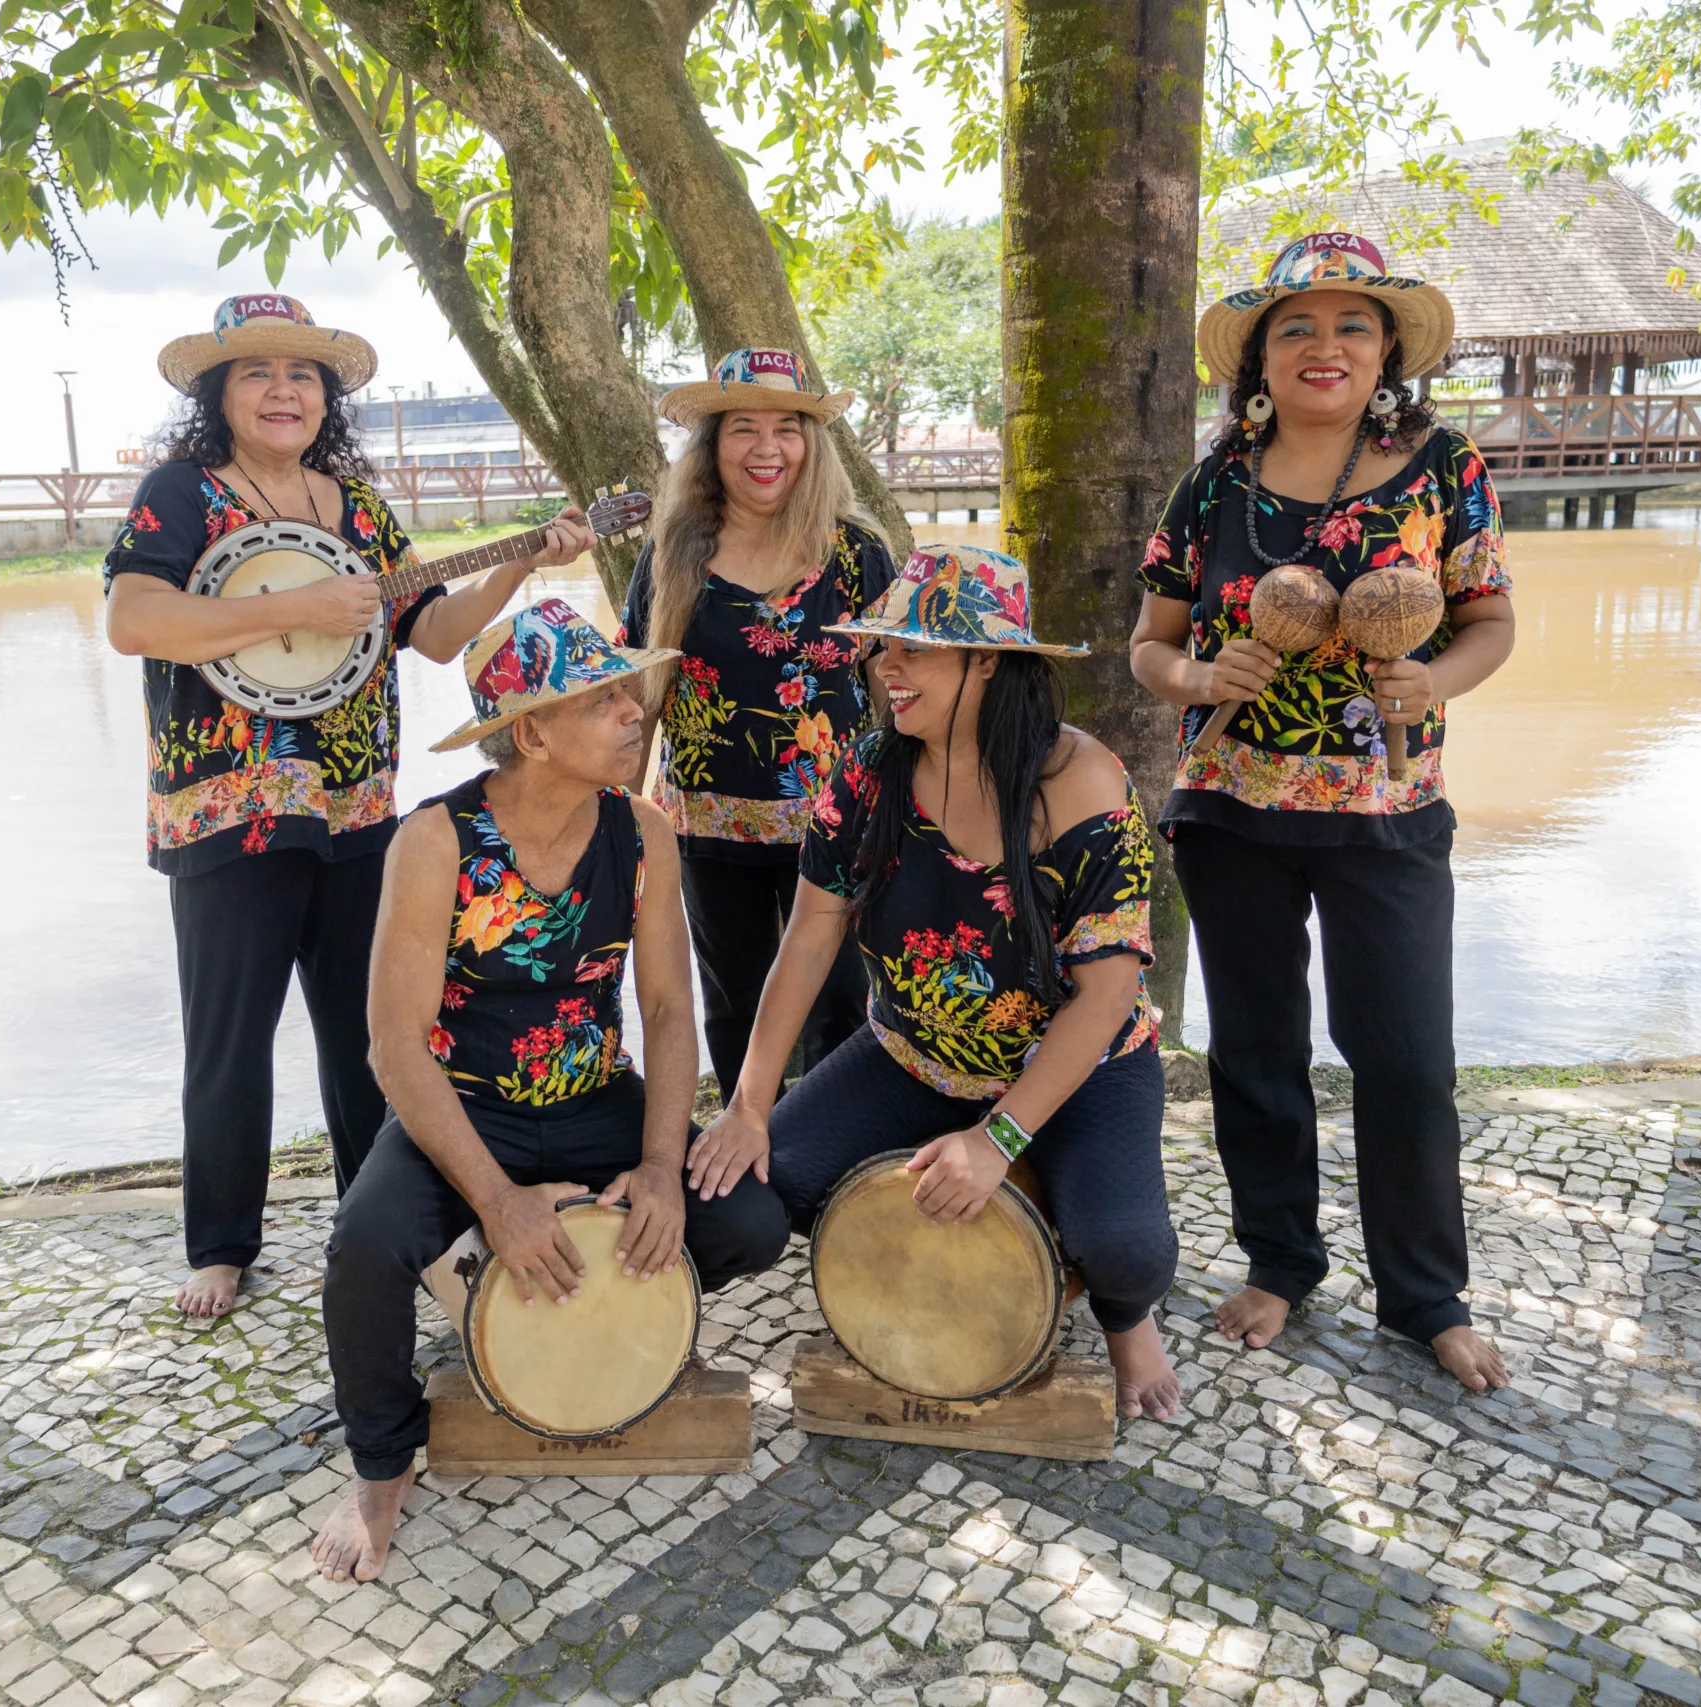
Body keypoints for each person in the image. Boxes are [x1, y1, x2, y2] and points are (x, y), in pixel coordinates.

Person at [104, 293, 593, 1320]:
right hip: (222, 812)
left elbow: (435, 633)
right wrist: (298, 609)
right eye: (257, 373)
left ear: (328, 399)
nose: (284, 391)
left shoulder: (361, 511)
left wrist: (517, 561)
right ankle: (223, 1243)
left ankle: (379, 1228)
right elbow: (134, 620)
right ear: (219, 394)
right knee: (228, 1037)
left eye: (304, 376)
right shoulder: (182, 495)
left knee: (373, 1035)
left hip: (356, 810)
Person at [313, 599, 791, 1581]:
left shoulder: (642, 831)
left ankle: (633, 1311)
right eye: (603, 698)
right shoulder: (435, 843)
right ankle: (378, 1467)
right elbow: (394, 1048)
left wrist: (659, 1167)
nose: (632, 713)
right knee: (363, 1249)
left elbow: (664, 1014)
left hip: (589, 1099)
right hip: (465, 1108)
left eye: (628, 692)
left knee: (745, 1220)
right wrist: (495, 1203)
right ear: (530, 731)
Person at [1126, 231, 1518, 1392]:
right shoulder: (1213, 482)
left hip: (1389, 811)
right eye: (1296, 326)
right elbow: (1150, 645)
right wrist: (1197, 679)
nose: (1325, 346)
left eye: (1352, 325)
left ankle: (1424, 1295)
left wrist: (1432, 682)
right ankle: (1280, 1262)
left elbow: (1489, 621)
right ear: (1258, 356)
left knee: (1403, 1057)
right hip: (1231, 808)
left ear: (1386, 349)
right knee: (1255, 1051)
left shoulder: (1445, 466)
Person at [693, 545, 1183, 1421]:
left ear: (987, 659)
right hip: (910, 1053)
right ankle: (950, 1225)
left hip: (1082, 1068)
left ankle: (1123, 1317)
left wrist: (997, 1139)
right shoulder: (867, 771)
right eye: (884, 648)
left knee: (1127, 1249)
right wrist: (750, 1103)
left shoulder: (1084, 784)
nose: (887, 669)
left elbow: (1106, 997)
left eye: (912, 649)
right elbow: (807, 938)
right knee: (747, 1204)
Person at [617, 348, 895, 1097]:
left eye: (788, 427)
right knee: (735, 1006)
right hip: (709, 832)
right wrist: (613, 815)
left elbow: (901, 692)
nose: (767, 449)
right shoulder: (672, 555)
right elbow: (636, 698)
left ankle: (834, 1170)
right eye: (743, 428)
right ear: (712, 445)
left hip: (839, 829)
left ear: (813, 443)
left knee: (842, 1008)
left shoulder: (855, 554)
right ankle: (746, 1170)